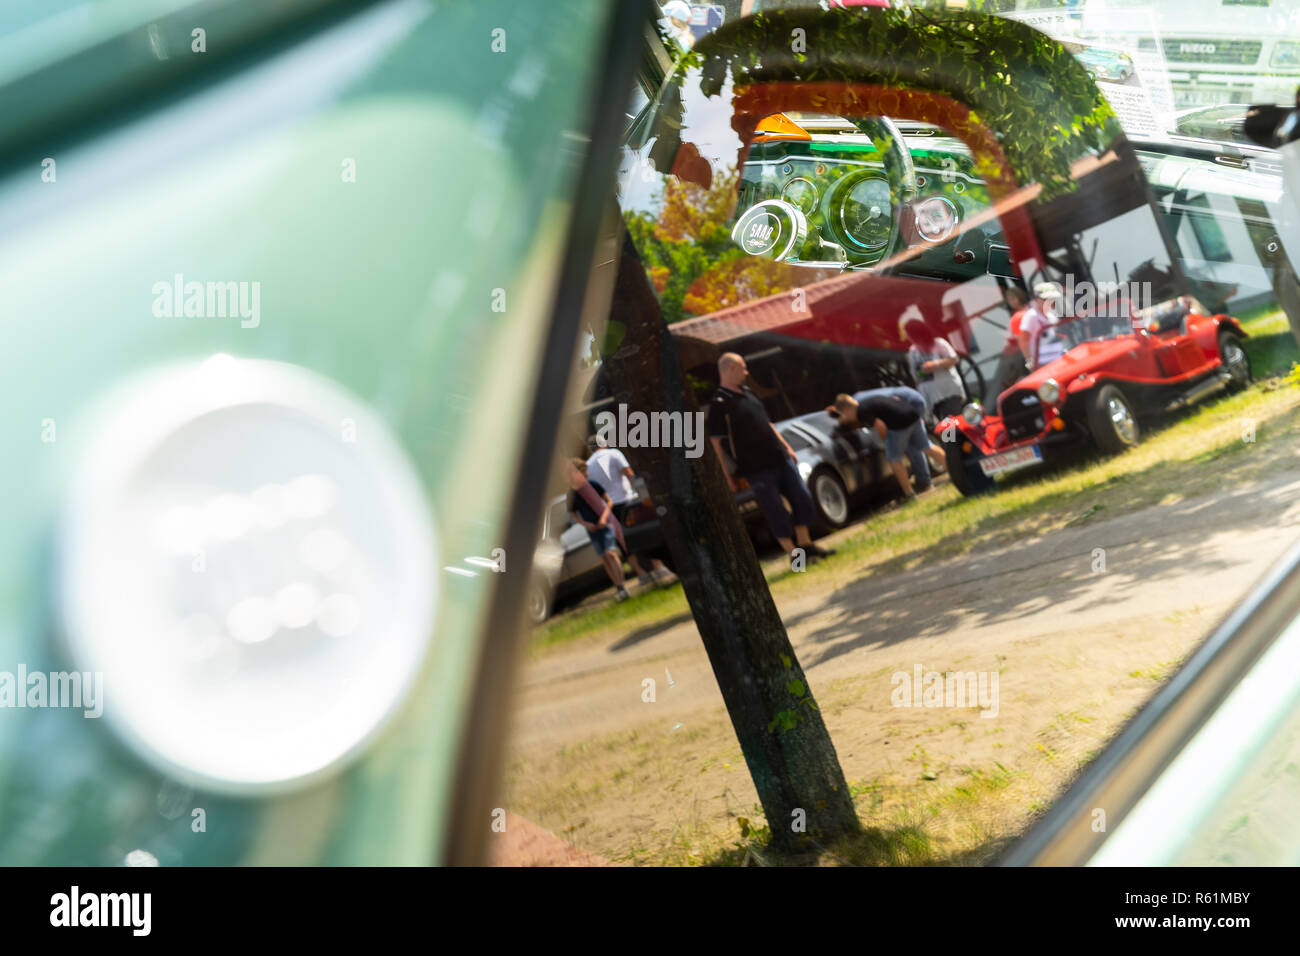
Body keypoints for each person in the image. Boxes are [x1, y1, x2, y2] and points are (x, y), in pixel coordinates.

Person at [707, 352, 833, 563]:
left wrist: (787, 447)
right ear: (730, 368)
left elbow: (768, 424)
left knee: (802, 498)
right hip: (756, 469)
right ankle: (797, 559)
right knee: (776, 511)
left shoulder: (748, 393)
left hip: (779, 457)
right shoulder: (719, 404)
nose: (746, 373)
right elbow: (716, 443)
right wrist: (726, 477)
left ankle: (806, 545)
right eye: (743, 368)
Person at [585, 436, 675, 587]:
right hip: (626, 501)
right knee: (645, 533)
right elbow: (628, 473)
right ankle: (659, 567)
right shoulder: (614, 454)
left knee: (624, 542)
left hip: (607, 507)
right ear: (604, 443)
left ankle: (641, 574)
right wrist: (639, 493)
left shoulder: (588, 465)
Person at [830, 386, 946, 500]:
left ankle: (909, 494)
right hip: (912, 414)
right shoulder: (866, 400)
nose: (846, 418)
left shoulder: (861, 411)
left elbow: (881, 427)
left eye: (844, 415)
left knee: (893, 458)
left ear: (845, 409)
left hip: (899, 423)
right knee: (926, 446)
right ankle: (954, 469)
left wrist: (887, 443)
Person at [567, 459, 630, 603]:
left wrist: (603, 518)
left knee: (611, 553)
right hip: (592, 529)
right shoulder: (572, 494)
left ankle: (623, 585)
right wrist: (586, 524)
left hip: (605, 525)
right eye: (583, 472)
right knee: (604, 558)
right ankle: (618, 587)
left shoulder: (593, 486)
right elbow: (573, 514)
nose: (587, 474)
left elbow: (609, 502)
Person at [901, 313, 966, 421]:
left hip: (949, 392)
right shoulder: (913, 351)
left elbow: (954, 359)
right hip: (931, 397)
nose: (908, 337)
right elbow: (916, 375)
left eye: (909, 334)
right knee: (945, 426)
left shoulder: (939, 344)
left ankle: (956, 438)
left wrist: (935, 364)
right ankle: (957, 438)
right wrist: (922, 372)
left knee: (950, 426)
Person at [1019, 281, 1067, 371]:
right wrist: (1031, 364)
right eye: (1046, 299)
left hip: (1058, 358)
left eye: (1052, 298)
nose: (1050, 302)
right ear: (1036, 299)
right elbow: (1023, 342)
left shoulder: (1052, 316)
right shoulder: (1031, 316)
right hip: (1043, 365)